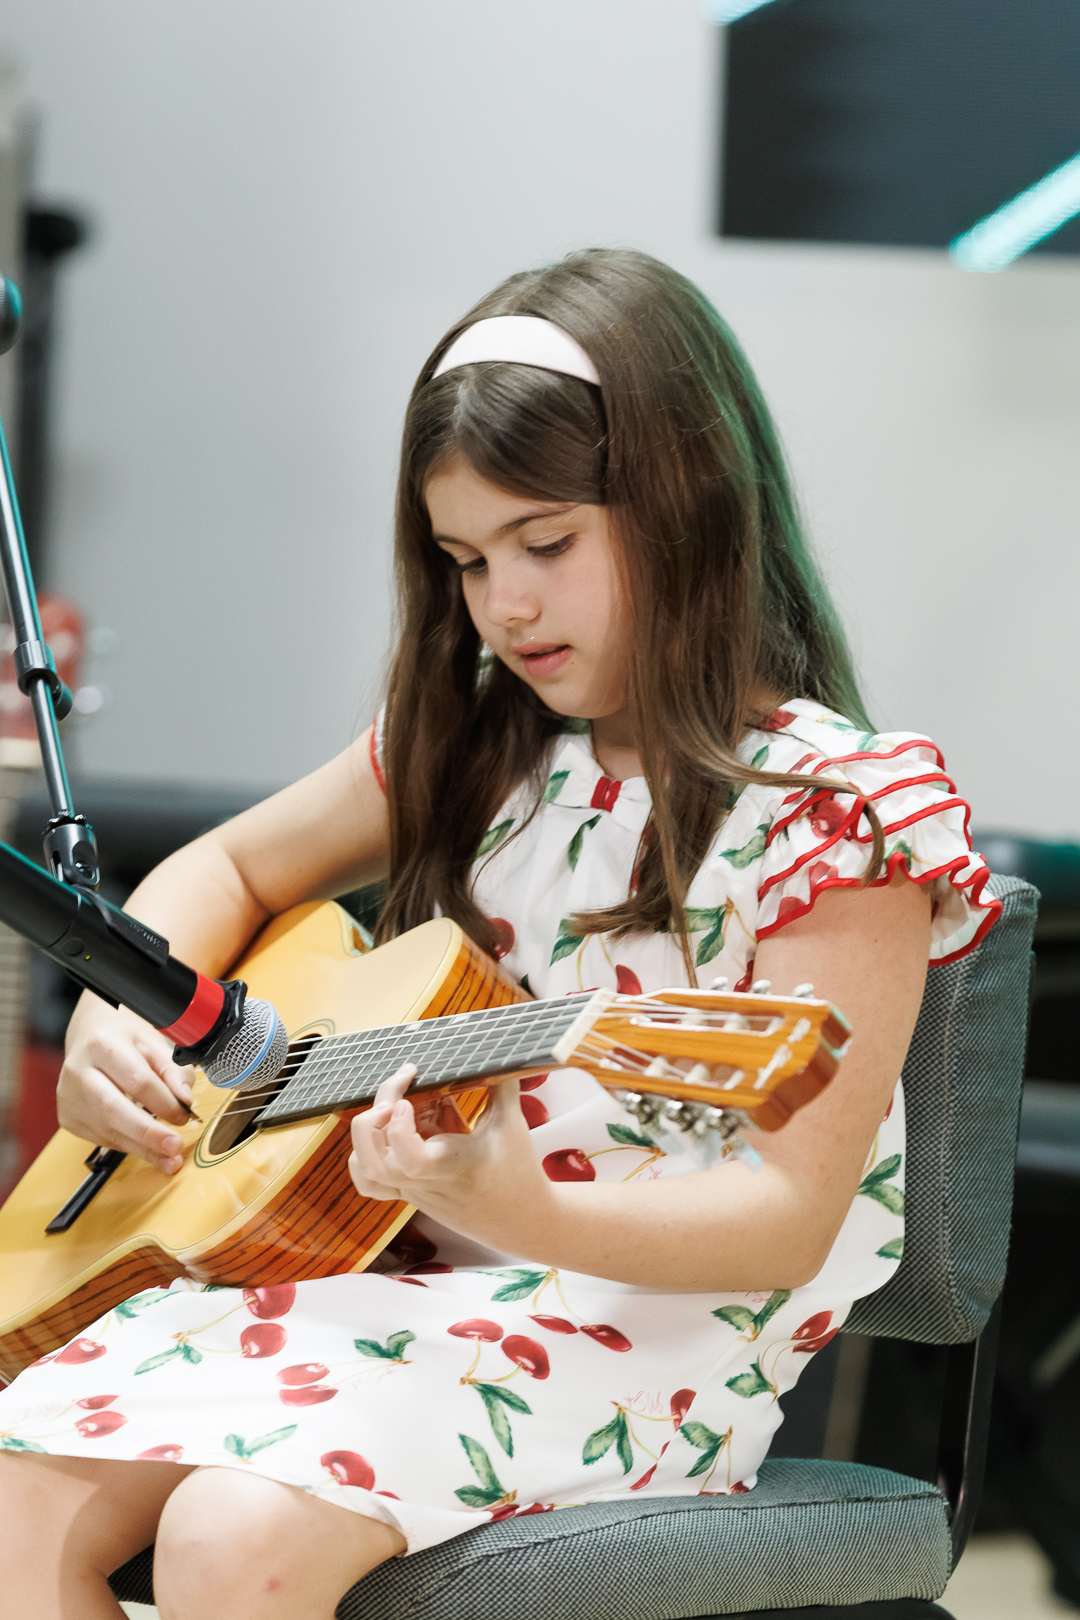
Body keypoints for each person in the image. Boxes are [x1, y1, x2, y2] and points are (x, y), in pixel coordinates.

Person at [0, 249, 999, 1620]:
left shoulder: (836, 814)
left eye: (546, 544)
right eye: (466, 562)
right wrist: (118, 1017)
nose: (505, 605)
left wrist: (522, 1208)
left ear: (691, 500)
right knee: (17, 1500)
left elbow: (784, 1219)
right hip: (386, 1288)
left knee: (235, 1540)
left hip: (643, 1341)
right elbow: (224, 864)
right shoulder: (478, 740)